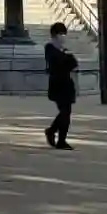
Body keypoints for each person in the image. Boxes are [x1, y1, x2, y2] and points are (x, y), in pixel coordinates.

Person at [44, 21, 78, 149]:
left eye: (64, 34)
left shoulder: (64, 50)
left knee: (66, 112)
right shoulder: (50, 48)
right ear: (55, 35)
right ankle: (59, 138)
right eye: (61, 34)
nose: (63, 37)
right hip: (57, 84)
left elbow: (74, 64)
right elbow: (57, 63)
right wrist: (65, 58)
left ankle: (53, 132)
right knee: (65, 112)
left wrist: (66, 58)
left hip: (67, 84)